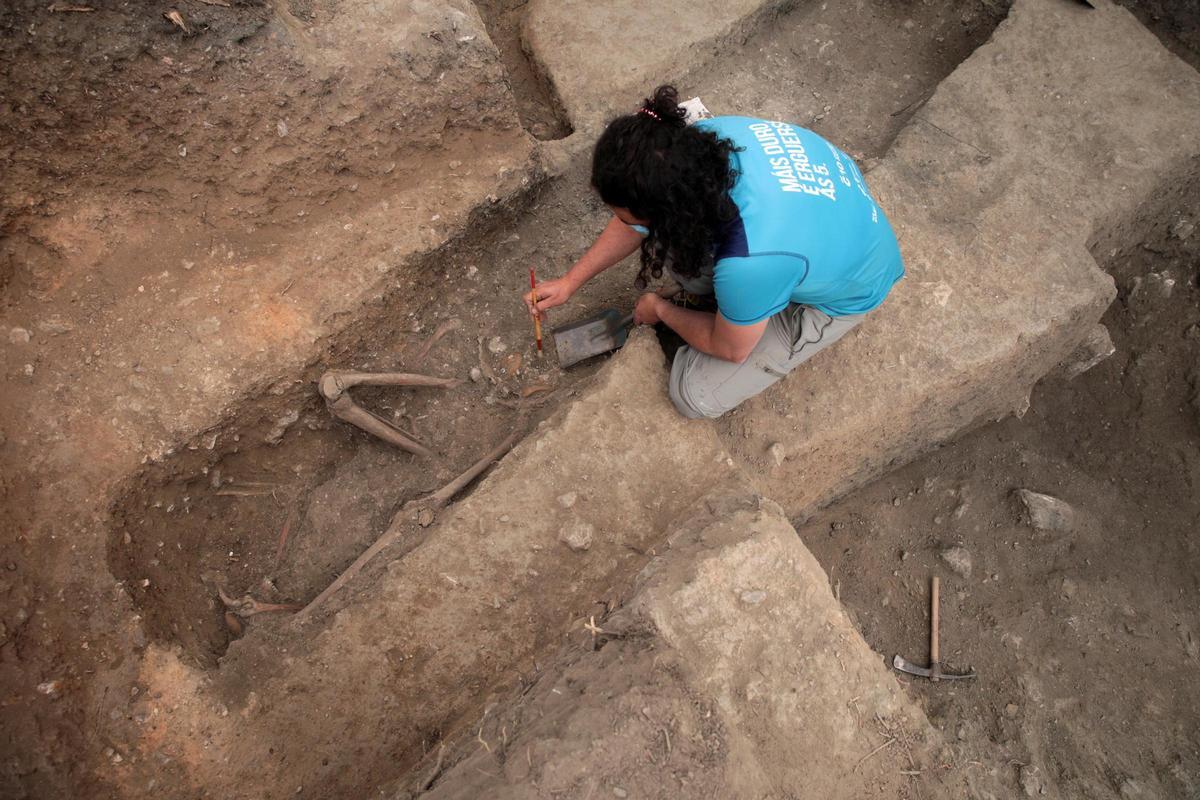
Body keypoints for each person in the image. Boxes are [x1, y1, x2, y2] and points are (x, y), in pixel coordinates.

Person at [524, 85, 904, 419]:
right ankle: (748, 308)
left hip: (853, 283)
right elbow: (635, 221)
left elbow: (729, 349)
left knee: (693, 394)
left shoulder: (749, 262)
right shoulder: (696, 141)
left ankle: (759, 312)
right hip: (828, 216)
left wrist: (660, 310)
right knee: (686, 257)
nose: (625, 223)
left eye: (629, 214)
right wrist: (570, 282)